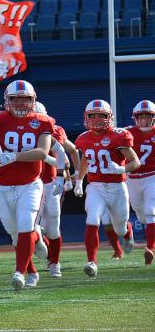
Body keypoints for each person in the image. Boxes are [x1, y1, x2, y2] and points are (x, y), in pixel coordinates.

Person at [0, 80, 54, 291]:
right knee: (16, 233)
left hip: (30, 184)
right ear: (7, 101)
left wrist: (15, 157)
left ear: (32, 101)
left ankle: (19, 273)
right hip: (2, 185)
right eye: (15, 99)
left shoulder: (42, 121)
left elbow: (42, 153)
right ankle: (33, 264)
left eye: (24, 99)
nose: (19, 104)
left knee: (25, 223)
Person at [74, 100, 139, 278]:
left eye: (101, 115)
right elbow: (86, 159)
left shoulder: (119, 135)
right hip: (95, 186)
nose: (96, 119)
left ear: (109, 117)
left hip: (117, 186)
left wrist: (121, 169)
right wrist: (79, 179)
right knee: (92, 219)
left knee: (119, 228)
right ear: (86, 118)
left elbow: (135, 162)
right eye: (92, 116)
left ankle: (127, 232)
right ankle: (92, 262)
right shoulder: (83, 138)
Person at [33, 102, 77, 277]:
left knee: (52, 227)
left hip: (50, 182)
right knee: (30, 225)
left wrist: (71, 176)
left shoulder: (53, 131)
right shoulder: (15, 129)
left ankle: (54, 262)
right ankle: (41, 259)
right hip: (26, 183)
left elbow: (69, 154)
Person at [125, 100, 155, 265]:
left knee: (151, 211)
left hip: (152, 175)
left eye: (147, 116)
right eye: (141, 117)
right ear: (135, 118)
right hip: (132, 178)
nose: (144, 120)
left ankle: (150, 248)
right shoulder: (127, 133)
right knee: (142, 216)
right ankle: (132, 233)